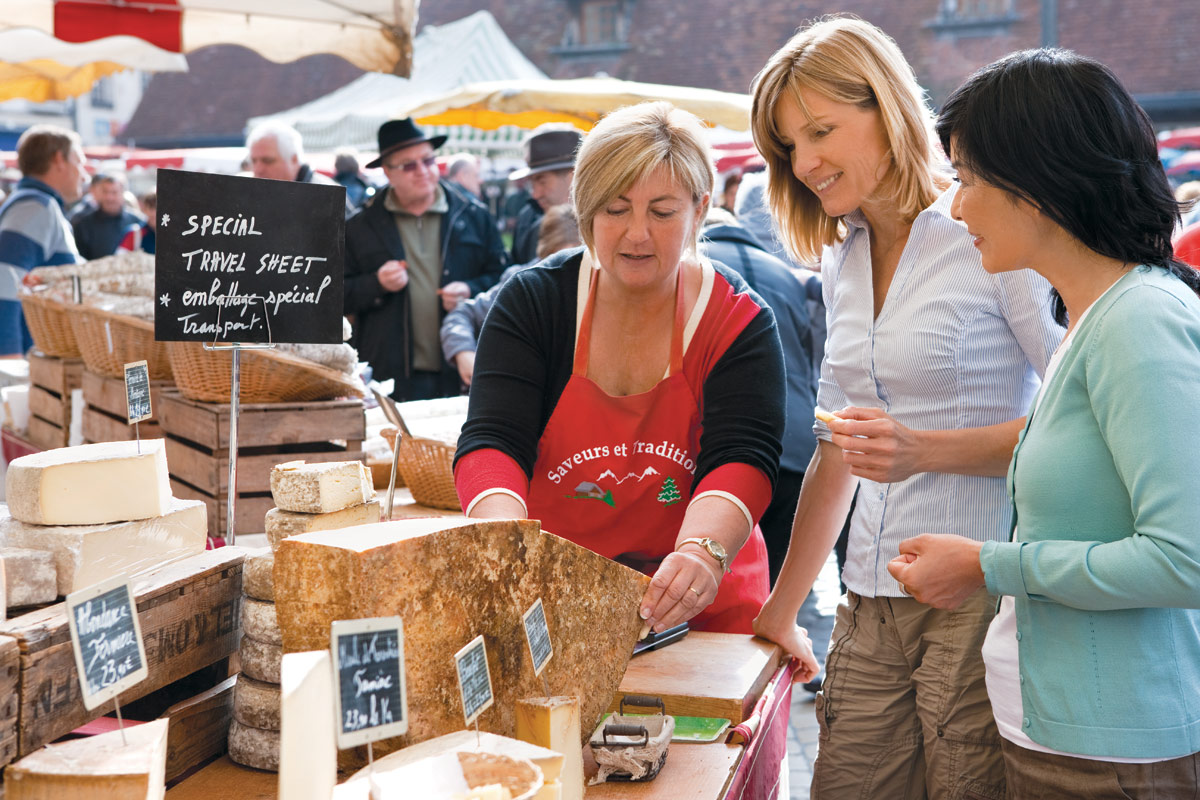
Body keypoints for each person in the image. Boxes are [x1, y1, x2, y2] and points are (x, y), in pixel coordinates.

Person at [748, 17, 1062, 800]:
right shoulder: (841, 252)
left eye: (821, 130)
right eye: (789, 145)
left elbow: (1078, 417)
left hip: (980, 591)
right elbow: (835, 446)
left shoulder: (987, 227)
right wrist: (781, 613)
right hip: (868, 596)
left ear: (886, 107)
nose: (806, 161)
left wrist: (926, 450)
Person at [888, 48, 1200, 798]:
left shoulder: (1139, 321)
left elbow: (1184, 558)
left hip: (1116, 750)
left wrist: (988, 564)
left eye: (966, 179)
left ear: (1037, 183)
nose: (955, 207)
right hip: (1063, 734)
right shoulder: (1090, 316)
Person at [453, 102, 815, 669]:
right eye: (615, 210)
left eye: (663, 212)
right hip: (558, 600)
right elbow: (493, 440)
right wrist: (505, 545)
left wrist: (701, 552)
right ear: (585, 211)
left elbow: (743, 455)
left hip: (701, 605)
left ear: (700, 209)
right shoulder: (535, 303)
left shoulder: (736, 318)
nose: (637, 234)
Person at [700, 208, 820, 589]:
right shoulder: (785, 273)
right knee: (776, 584)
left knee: (721, 585)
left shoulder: (694, 268)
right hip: (798, 441)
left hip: (726, 446)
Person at [344, 118, 506, 401]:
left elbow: (505, 279)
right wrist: (376, 283)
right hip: (388, 375)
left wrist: (470, 289)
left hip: (462, 368)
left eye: (428, 161)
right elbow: (335, 295)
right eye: (408, 165)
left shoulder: (473, 214)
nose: (422, 171)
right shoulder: (360, 226)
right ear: (387, 172)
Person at [441, 204, 581, 387]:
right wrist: (463, 352)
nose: (569, 270)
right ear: (543, 255)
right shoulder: (522, 282)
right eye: (560, 259)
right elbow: (463, 314)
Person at [0, 125, 86, 356]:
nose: (84, 174)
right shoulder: (35, 206)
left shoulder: (39, 205)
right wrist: (9, 362)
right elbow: (5, 283)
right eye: (79, 162)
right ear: (59, 159)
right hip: (33, 362)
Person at [508, 124, 583, 265]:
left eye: (542, 182)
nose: (535, 194)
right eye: (531, 183)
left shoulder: (603, 223)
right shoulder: (527, 218)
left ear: (573, 177)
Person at [245, 122, 354, 217]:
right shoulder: (250, 196)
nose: (258, 169)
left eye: (268, 160)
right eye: (254, 161)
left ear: (293, 159)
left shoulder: (328, 197)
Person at [71, 172, 143, 260]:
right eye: (105, 192)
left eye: (114, 192)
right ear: (99, 193)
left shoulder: (138, 222)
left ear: (122, 194)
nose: (109, 198)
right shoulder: (83, 225)